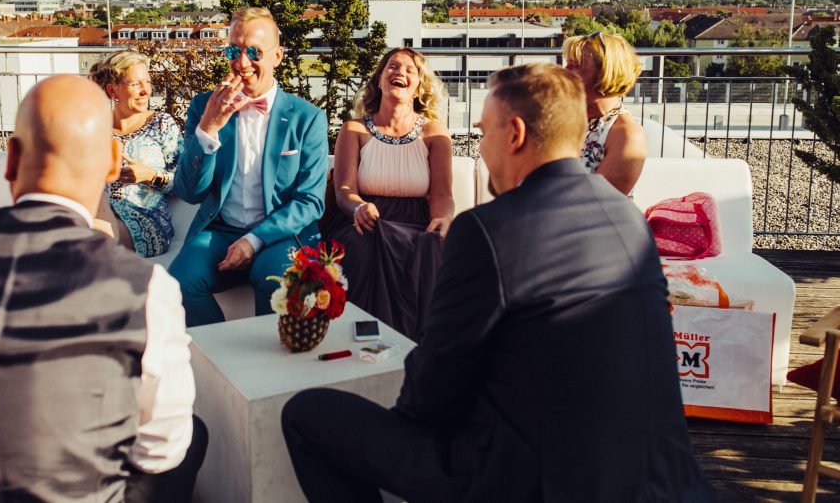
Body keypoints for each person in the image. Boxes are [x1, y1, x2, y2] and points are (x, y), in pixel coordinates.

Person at [281, 63, 714, 502]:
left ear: (515, 134)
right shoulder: (628, 219)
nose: (481, 146)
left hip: (537, 481)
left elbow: (428, 395)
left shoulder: (489, 229)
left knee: (307, 414)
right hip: (664, 479)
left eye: (484, 132)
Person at [0, 75, 207, 503]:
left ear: (10, 161)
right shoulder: (144, 288)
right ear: (112, 160)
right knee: (192, 438)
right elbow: (161, 449)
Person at [169, 6, 328, 326]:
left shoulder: (306, 117)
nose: (242, 63)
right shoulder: (204, 106)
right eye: (233, 50)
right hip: (219, 231)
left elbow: (310, 202)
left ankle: (269, 370)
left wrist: (253, 240)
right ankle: (220, 362)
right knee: (176, 286)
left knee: (277, 285)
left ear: (277, 56)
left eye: (254, 51)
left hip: (279, 236)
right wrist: (208, 130)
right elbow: (189, 192)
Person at [325, 48, 452, 340]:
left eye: (410, 70)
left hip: (416, 220)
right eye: (392, 67)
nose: (400, 73)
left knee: (431, 247)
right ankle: (360, 341)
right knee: (359, 247)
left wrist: (442, 219)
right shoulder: (353, 129)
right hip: (364, 219)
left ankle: (423, 348)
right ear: (380, 80)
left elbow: (442, 194)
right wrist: (358, 208)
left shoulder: (435, 132)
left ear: (419, 86)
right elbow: (345, 190)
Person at [89, 50, 182, 257]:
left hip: (145, 220)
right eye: (135, 84)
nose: (146, 91)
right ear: (113, 91)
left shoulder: (162, 124)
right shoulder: (95, 128)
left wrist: (150, 176)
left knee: (92, 236)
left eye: (147, 82)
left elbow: (184, 183)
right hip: (96, 214)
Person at [563, 30, 647, 195]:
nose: (564, 72)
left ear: (603, 73)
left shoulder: (627, 134)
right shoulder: (570, 117)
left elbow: (600, 203)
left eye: (573, 65)